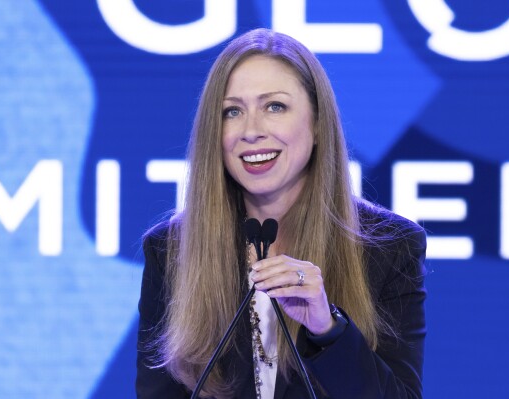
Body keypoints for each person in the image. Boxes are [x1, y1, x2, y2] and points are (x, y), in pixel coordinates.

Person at [137, 28, 426, 399]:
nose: (251, 131)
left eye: (275, 107)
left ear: (318, 124)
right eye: (232, 111)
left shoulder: (390, 247)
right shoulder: (171, 250)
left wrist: (327, 328)